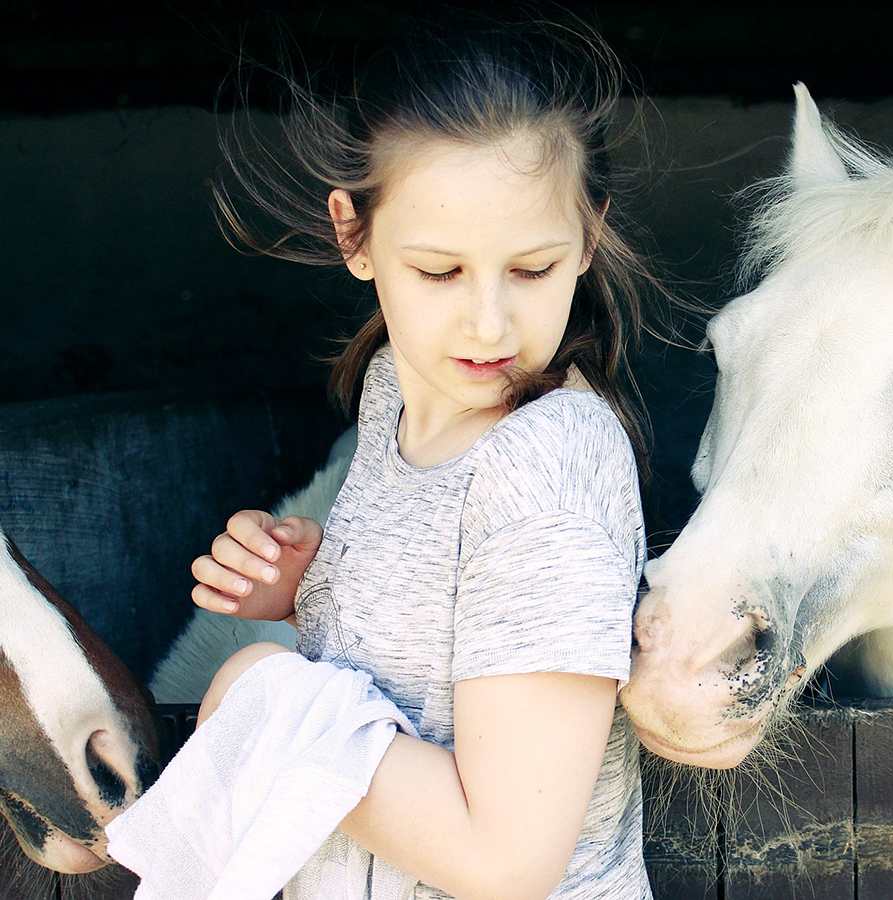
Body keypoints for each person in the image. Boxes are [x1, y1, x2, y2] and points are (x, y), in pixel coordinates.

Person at [153, 9, 659, 900]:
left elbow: (507, 861)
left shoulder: (552, 459)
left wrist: (262, 688)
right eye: (439, 271)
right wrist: (305, 612)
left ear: (589, 237)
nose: (490, 323)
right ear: (353, 234)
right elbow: (410, 711)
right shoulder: (395, 392)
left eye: (533, 269)